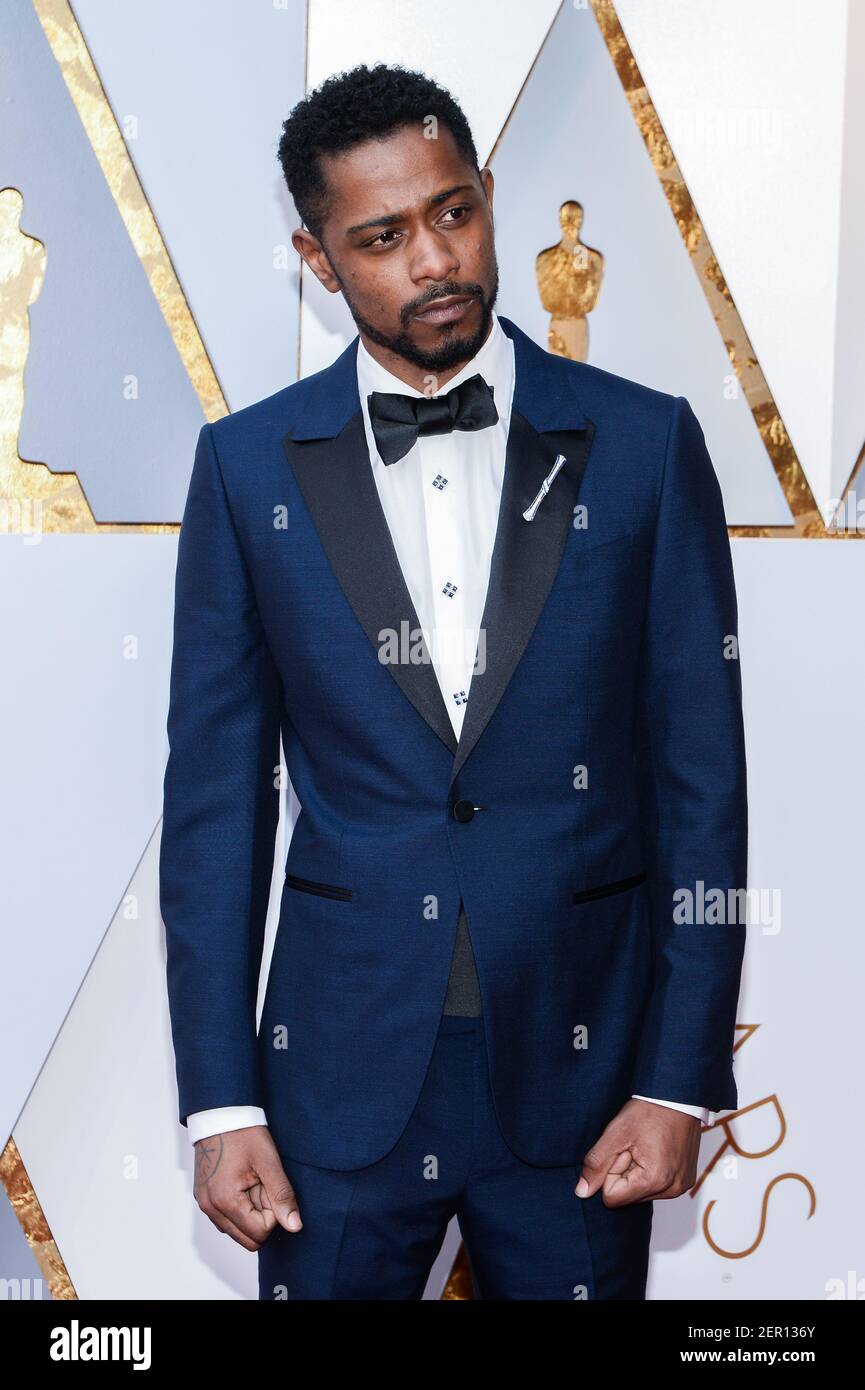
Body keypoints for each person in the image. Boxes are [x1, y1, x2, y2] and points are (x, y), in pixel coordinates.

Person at [159, 63, 748, 1301]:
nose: (434, 260)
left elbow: (704, 783)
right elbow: (216, 807)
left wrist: (677, 1073)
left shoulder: (643, 445)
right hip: (334, 1080)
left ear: (485, 195)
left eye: (453, 213)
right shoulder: (244, 467)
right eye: (381, 238)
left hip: (584, 1077)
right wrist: (219, 1098)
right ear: (319, 264)